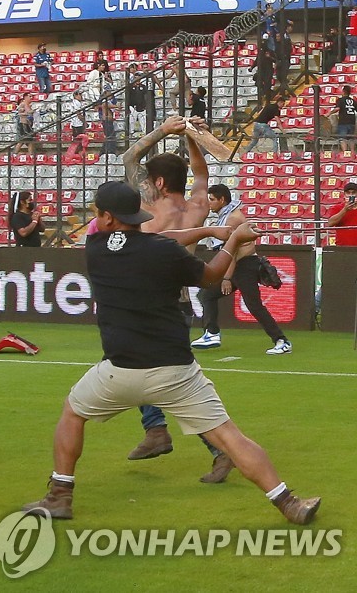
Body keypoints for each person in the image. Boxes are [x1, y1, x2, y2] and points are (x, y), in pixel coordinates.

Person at [21, 181, 321, 527]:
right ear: (137, 215)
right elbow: (209, 277)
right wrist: (233, 240)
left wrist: (208, 229)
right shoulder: (163, 252)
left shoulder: (95, 246)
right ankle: (289, 504)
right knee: (228, 436)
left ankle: (60, 496)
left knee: (72, 413)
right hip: (175, 372)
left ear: (105, 217)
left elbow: (154, 242)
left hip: (119, 371)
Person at [122, 115, 232, 477]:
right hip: (179, 301)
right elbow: (201, 174)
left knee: (157, 375)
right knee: (140, 368)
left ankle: (203, 443)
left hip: (144, 297)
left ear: (156, 182)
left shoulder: (148, 201)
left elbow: (129, 158)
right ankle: (158, 429)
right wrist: (192, 137)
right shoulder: (197, 206)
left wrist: (166, 130)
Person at [193, 184, 292, 360]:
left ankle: (282, 341)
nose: (209, 204)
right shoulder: (228, 216)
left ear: (222, 200)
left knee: (254, 305)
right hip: (239, 265)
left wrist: (226, 278)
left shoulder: (232, 219)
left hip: (244, 266)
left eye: (212, 200)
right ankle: (212, 333)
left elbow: (232, 252)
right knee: (207, 295)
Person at [330, 85, 356, 152]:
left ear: (343, 92)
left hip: (343, 122)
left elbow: (337, 108)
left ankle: (345, 153)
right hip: (352, 122)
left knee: (342, 138)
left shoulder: (340, 100)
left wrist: (328, 114)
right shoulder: (353, 101)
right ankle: (352, 153)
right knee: (351, 138)